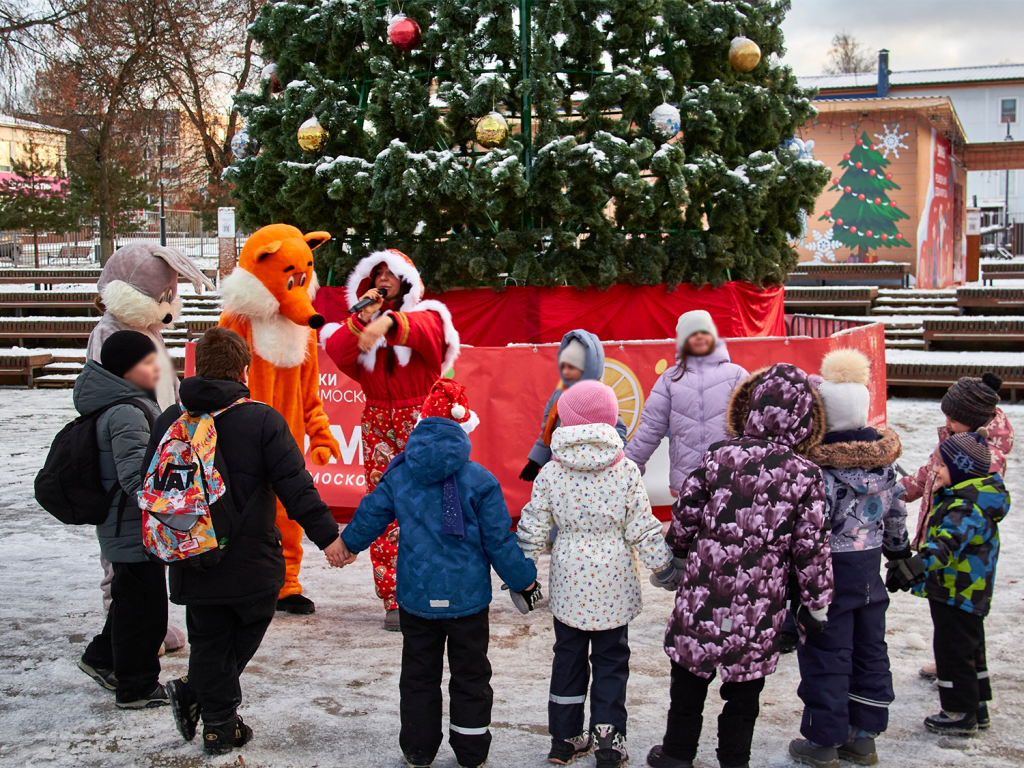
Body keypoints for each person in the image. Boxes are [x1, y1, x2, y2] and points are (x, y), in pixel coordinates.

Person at [154, 327, 347, 755]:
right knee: (252, 618)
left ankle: (213, 714)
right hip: (250, 559)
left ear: (196, 367)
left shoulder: (170, 420)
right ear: (245, 370)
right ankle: (213, 716)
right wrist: (329, 538)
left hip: (190, 553)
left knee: (208, 637)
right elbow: (296, 488)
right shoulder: (262, 419)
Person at [337, 378, 539, 768]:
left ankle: (418, 746)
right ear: (462, 432)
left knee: (418, 674)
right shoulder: (480, 480)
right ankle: (471, 750)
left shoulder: (399, 475)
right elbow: (499, 543)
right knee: (470, 675)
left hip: (415, 597)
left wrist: (348, 545)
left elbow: (370, 515)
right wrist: (524, 581)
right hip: (467, 601)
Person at [647, 364, 834, 768]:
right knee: (745, 690)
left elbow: (686, 512)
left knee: (689, 679)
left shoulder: (720, 456)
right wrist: (816, 602)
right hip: (758, 602)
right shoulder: (806, 475)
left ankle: (677, 753)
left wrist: (677, 551)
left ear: (752, 408)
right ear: (805, 418)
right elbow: (811, 545)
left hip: (703, 593)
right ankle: (735, 760)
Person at [517, 380, 679, 768]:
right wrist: (664, 565)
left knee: (568, 657)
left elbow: (534, 525)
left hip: (570, 580)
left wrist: (520, 567)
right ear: (611, 419)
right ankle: (609, 739)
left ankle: (566, 738)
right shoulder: (624, 471)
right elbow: (642, 525)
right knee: (611, 661)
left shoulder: (552, 473)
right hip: (614, 583)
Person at [322, 248, 460, 630]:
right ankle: (395, 597)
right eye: (376, 273)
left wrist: (389, 325)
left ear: (406, 281)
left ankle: (440, 588)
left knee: (436, 503)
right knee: (385, 507)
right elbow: (336, 350)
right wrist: (363, 321)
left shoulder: (428, 314)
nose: (382, 279)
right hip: (378, 420)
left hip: (424, 419)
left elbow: (431, 334)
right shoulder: (365, 320)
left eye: (390, 274)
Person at [788, 350, 909, 768]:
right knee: (869, 646)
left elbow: (809, 530)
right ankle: (864, 735)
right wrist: (898, 552)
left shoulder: (818, 471)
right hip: (870, 572)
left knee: (827, 651)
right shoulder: (885, 467)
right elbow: (895, 513)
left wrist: (793, 579)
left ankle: (823, 740)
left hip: (829, 576)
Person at [219, 224, 341, 615]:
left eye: (302, 279)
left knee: (288, 511)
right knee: (243, 511)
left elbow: (311, 390)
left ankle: (287, 582)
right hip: (240, 440)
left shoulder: (301, 329)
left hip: (287, 442)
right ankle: (244, 581)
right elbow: (218, 375)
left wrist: (320, 433)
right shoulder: (238, 321)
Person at [888, 430, 1009, 737]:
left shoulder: (964, 507)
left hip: (958, 591)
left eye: (941, 466)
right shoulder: (971, 499)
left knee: (953, 650)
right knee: (970, 647)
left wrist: (914, 566)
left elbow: (945, 546)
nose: (936, 471)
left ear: (960, 469)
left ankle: (958, 712)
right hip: (968, 590)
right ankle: (976, 705)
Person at [75, 330, 168, 709]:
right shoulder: (127, 411)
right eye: (147, 363)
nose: (156, 369)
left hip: (127, 525)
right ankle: (136, 687)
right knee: (145, 612)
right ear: (127, 371)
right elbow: (134, 479)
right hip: (131, 526)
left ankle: (100, 657)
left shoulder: (127, 403)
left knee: (131, 602)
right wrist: (172, 497)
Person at [900, 372, 1013, 680]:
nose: (946, 422)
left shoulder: (984, 459)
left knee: (959, 621)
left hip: (961, 555)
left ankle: (957, 677)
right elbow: (931, 471)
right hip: (948, 544)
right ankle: (954, 661)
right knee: (950, 617)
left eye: (952, 417)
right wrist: (902, 488)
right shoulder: (958, 442)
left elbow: (961, 505)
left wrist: (920, 562)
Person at [625, 310, 747, 494]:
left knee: (727, 522)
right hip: (687, 478)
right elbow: (651, 428)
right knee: (689, 522)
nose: (698, 336)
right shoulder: (670, 379)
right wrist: (629, 466)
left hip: (729, 475)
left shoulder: (736, 375)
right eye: (691, 332)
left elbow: (753, 423)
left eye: (704, 330)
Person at [519, 330, 627, 482]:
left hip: (599, 471)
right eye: (564, 366)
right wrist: (535, 461)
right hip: (563, 470)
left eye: (573, 367)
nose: (566, 372)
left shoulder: (601, 396)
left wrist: (619, 459)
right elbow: (547, 433)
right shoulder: (558, 396)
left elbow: (617, 429)